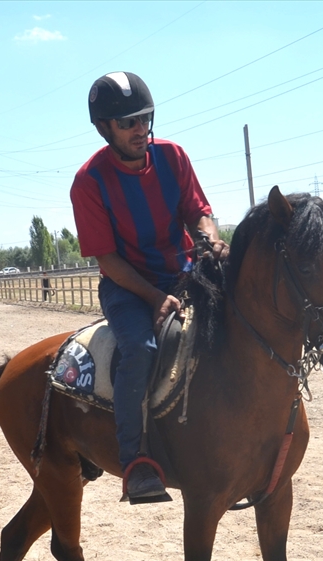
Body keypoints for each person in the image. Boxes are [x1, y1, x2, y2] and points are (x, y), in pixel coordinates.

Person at [70, 71, 228, 503]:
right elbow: (107, 260)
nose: (140, 128)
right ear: (105, 129)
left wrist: (209, 240)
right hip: (127, 287)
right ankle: (135, 459)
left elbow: (198, 212)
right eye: (128, 123)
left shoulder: (173, 157)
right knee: (140, 348)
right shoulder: (88, 182)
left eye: (145, 118)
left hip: (184, 272)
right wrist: (156, 298)